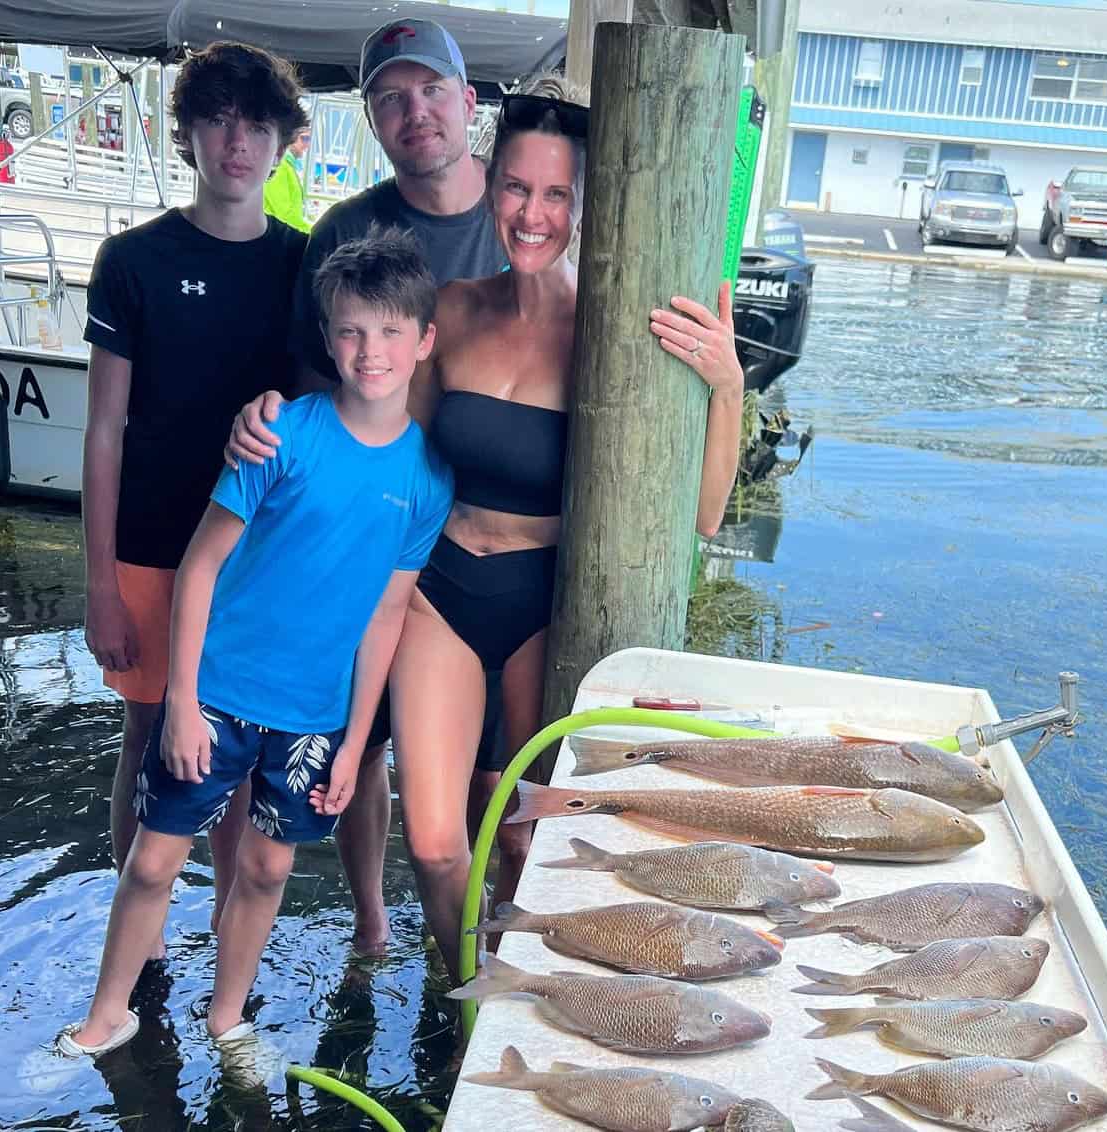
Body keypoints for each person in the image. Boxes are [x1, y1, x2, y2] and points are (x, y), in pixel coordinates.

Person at [231, 74, 746, 980]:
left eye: (555, 194)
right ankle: (473, 992)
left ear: (583, 205)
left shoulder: (614, 335)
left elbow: (701, 515)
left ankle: (520, 995)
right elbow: (382, 439)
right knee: (435, 846)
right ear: (490, 184)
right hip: (441, 591)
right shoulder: (454, 310)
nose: (532, 214)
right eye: (515, 187)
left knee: (518, 839)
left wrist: (728, 386)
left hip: (546, 605)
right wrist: (274, 425)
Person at [60, 226, 452, 1060]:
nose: (370, 351)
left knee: (269, 869)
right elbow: (200, 567)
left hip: (314, 717)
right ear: (327, 339)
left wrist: (354, 742)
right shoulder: (282, 436)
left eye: (390, 331)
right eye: (351, 330)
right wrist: (181, 701)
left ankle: (226, 1014)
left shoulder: (427, 479)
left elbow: (387, 615)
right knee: (154, 862)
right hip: (219, 692)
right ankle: (107, 1014)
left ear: (425, 340)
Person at [234, 17, 510, 958]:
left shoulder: (522, 214)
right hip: (377, 530)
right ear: (371, 119)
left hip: (492, 534)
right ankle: (371, 919)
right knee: (369, 734)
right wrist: (264, 423)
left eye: (431, 90)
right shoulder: (346, 231)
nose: (415, 112)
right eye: (391, 98)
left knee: (489, 771)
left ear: (468, 101)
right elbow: (315, 396)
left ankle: (485, 941)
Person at [81, 42, 309, 961]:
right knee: (146, 730)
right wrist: (100, 585)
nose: (236, 142)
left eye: (256, 124)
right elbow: (104, 428)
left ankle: (224, 926)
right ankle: (139, 930)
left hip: (256, 557)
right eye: (217, 120)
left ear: (284, 141)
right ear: (186, 135)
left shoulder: (303, 264)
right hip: (148, 543)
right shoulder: (132, 259)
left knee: (239, 746)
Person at [263, 127, 311, 231]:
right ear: (290, 139)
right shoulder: (281, 167)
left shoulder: (287, 166)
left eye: (309, 139)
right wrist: (308, 233)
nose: (307, 144)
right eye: (304, 138)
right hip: (284, 234)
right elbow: (281, 213)